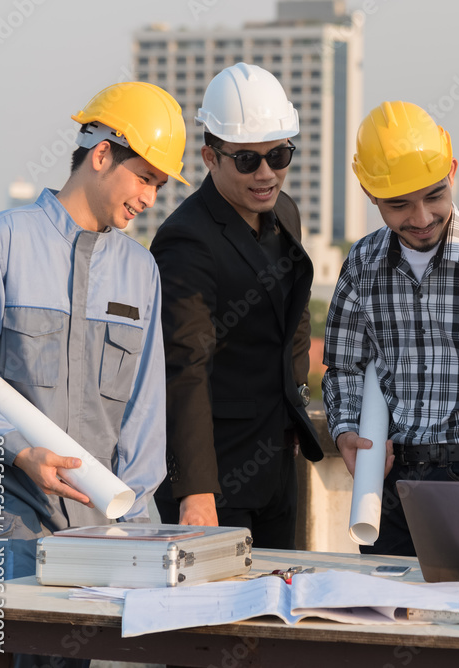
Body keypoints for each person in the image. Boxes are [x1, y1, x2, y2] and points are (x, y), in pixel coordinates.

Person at [0, 82, 183, 577]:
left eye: (159, 186)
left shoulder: (140, 271)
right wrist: (18, 450)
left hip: (98, 540)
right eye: (144, 179)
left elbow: (145, 410)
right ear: (102, 154)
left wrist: (127, 525)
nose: (150, 198)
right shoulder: (0, 242)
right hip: (1, 523)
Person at [323, 101, 459, 556]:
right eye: (399, 204)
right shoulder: (362, 265)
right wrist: (345, 431)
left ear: (452, 171)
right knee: (389, 619)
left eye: (433, 196)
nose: (420, 218)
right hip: (396, 485)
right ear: (368, 192)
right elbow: (344, 367)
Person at [152, 63, 322, 550]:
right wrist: (195, 490)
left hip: (277, 468)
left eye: (279, 154)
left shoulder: (284, 212)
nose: (267, 173)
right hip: (215, 481)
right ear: (210, 156)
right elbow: (183, 367)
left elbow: (294, 319)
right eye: (247, 160)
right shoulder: (186, 239)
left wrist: (293, 402)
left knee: (275, 614)